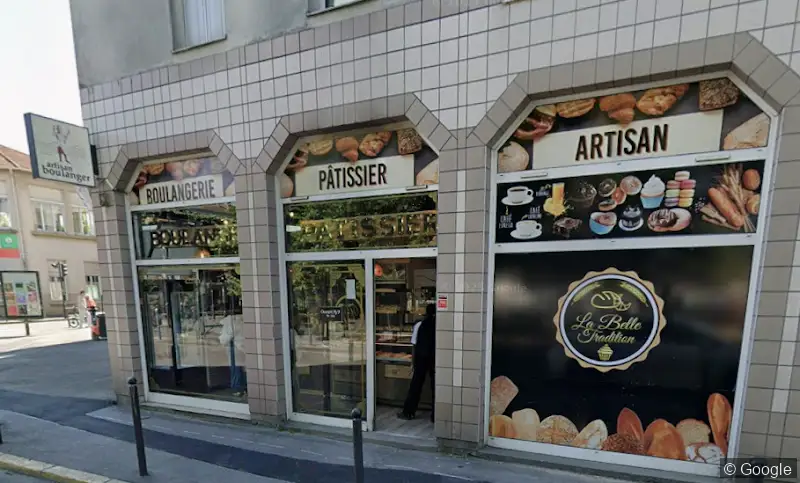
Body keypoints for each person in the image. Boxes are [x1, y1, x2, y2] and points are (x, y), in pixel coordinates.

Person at [398, 303, 436, 421]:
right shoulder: (439, 325)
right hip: (435, 358)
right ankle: (435, 415)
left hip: (421, 357)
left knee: (416, 385)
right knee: (435, 386)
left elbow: (414, 344)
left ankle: (409, 411)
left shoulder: (419, 324)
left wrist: (413, 362)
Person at [219, 313, 246, 397]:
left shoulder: (229, 321)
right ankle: (245, 387)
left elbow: (225, 338)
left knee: (235, 369)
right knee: (243, 368)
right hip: (242, 347)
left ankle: (238, 389)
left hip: (234, 347)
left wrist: (220, 340)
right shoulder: (242, 319)